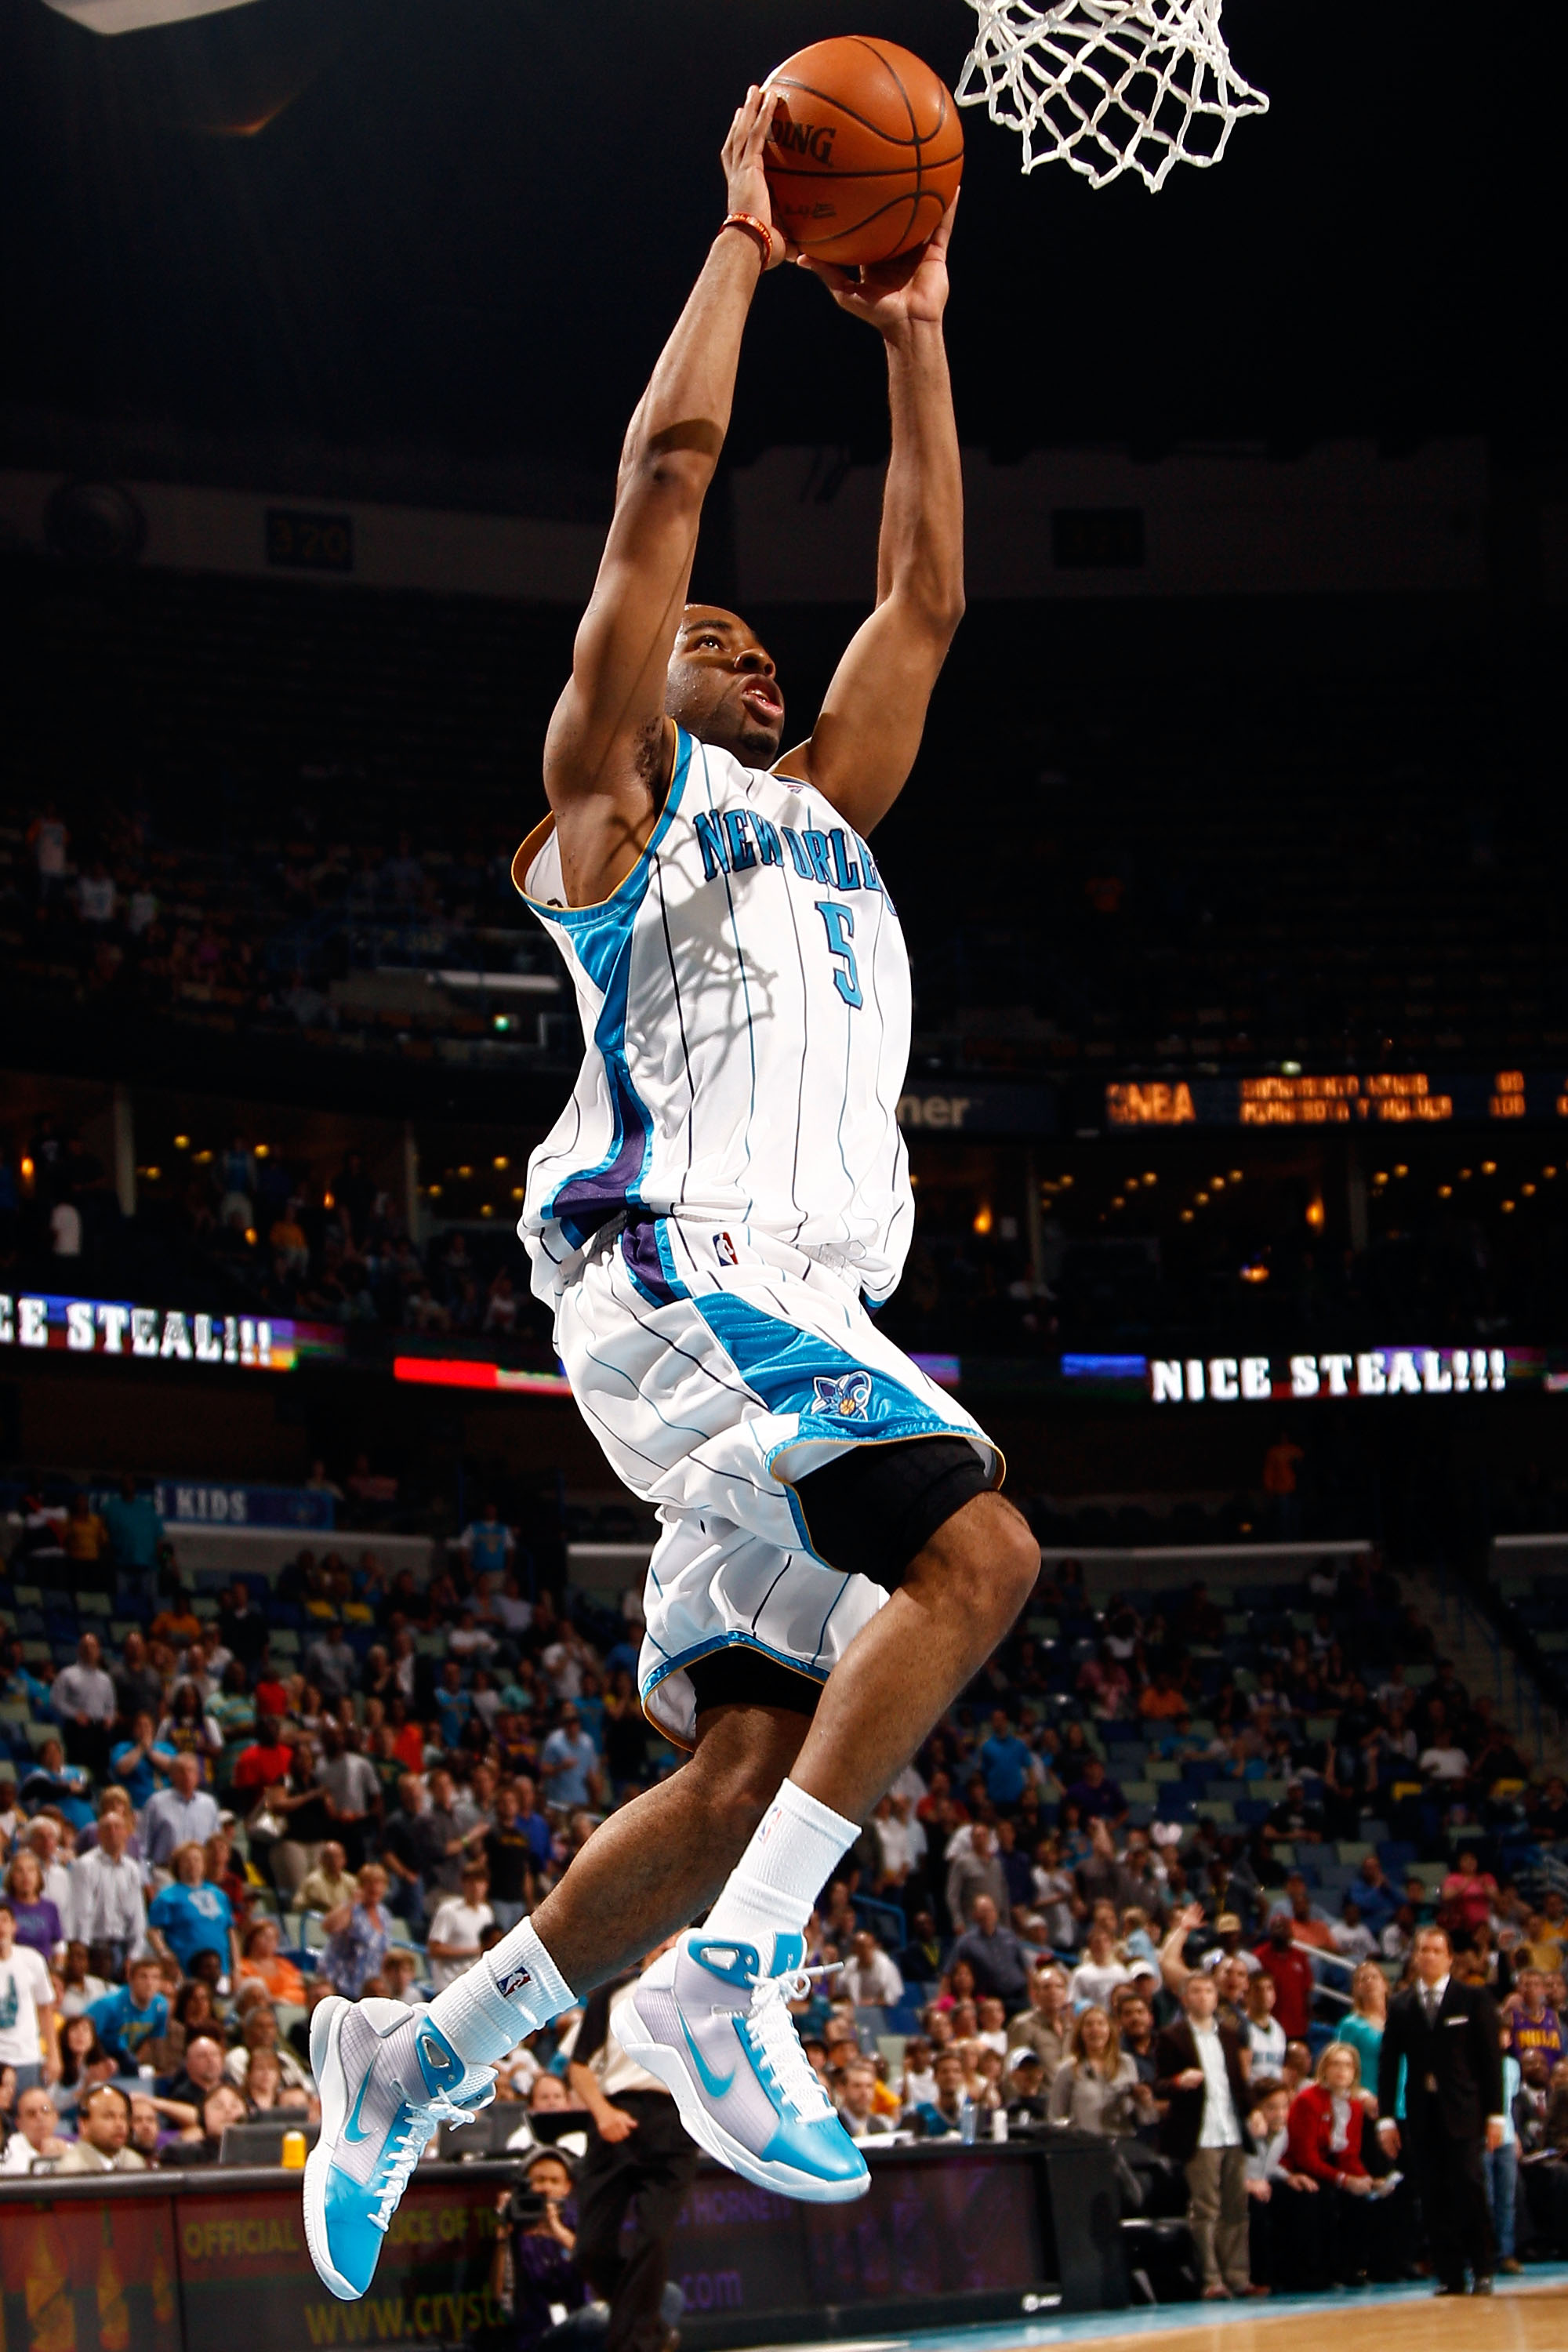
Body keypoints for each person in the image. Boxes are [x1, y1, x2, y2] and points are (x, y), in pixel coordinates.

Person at [304, 82, 1037, 2304]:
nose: (759, 654)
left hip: (802, 1301)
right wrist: (744, 245)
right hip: (677, 1266)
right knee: (984, 1547)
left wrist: (910, 324)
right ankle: (728, 1986)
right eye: (723, 642)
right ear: (654, 683)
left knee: (738, 1759)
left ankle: (417, 2048)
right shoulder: (617, 821)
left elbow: (927, 587)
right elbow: (662, 487)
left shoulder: (834, 811)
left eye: (757, 650)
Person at [563, 1947, 702, 2352]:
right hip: (614, 2118)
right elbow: (579, 2066)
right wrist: (603, 2112)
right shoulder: (611, 1994)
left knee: (654, 2240)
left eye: (674, 1943)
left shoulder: (702, 2000)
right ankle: (654, 2329)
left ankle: (634, 2344)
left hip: (675, 2121)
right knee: (589, 2248)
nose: (665, 1950)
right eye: (658, 1943)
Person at [1377, 1924, 1504, 2296]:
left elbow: (1490, 2061)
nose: (1428, 1956)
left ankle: (1483, 2268)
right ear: (1414, 1957)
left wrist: (1495, 2114)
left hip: (1464, 2111)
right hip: (1421, 2111)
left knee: (1469, 2185)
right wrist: (1386, 2117)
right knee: (1433, 2193)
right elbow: (1388, 2064)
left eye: (1436, 1950)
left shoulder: (1472, 1998)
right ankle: (1450, 2275)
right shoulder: (1400, 2004)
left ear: (1449, 1957)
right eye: (1423, 1950)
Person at [1155, 1971, 1256, 2301]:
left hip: (1231, 2129)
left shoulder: (1229, 2035)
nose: (1203, 1997)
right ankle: (1211, 2278)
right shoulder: (1172, 2037)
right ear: (1185, 1999)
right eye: (1195, 1991)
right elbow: (1157, 2084)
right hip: (1199, 2134)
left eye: (1208, 1991)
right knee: (1206, 2209)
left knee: (1236, 2208)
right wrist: (1178, 2082)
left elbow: (1238, 2083)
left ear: (1216, 1998)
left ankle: (1238, 2276)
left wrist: (1252, 2112)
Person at [491, 2149, 591, 2352]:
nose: (546, 2188)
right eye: (539, 2180)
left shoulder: (578, 2224)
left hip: (581, 2328)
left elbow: (599, 2272)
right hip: (536, 2336)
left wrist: (558, 2232)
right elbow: (499, 2294)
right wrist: (503, 2237)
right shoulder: (517, 2227)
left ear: (567, 2187)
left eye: (555, 2181)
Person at [1047, 2005, 1152, 2136]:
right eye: (1089, 2025)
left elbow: (1141, 2114)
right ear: (1080, 2032)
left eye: (1101, 2024)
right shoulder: (1068, 2069)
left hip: (1122, 2141)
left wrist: (1143, 2099)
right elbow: (1056, 2117)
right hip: (1085, 2146)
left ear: (1110, 2030)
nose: (1095, 2030)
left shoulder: (1126, 2063)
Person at [147, 1844, 238, 1982]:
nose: (192, 1864)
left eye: (197, 1860)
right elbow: (153, 1931)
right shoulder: (167, 1896)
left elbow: (230, 1931)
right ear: (178, 1865)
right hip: (185, 1969)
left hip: (221, 1969)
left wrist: (236, 1967)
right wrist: (163, 1953)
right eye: (187, 1860)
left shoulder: (219, 1895)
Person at [0, 1902, 59, 2091]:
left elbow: (45, 2009)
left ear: (14, 1926)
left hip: (27, 2056)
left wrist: (53, 2056)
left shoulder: (32, 1960)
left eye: (5, 1920)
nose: (1, 1927)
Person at [54, 2083, 147, 2174]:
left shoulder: (134, 2162)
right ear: (84, 2124)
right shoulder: (72, 2169)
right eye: (109, 2117)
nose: (120, 2124)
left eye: (123, 2117)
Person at [1, 2084, 70, 2173]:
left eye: (45, 2110)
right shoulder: (7, 2149)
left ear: (56, 2117)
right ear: (19, 2124)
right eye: (31, 2114)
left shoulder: (68, 2149)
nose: (40, 2117)